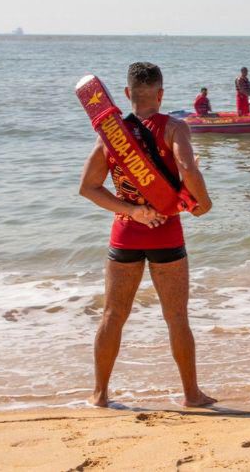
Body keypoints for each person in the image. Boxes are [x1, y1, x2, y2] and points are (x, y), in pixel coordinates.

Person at [79, 62, 215, 408]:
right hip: (167, 236)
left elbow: (89, 188)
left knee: (113, 315)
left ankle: (100, 394)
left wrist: (132, 211)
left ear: (127, 94)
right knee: (177, 317)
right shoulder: (174, 127)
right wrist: (204, 203)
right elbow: (187, 168)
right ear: (161, 93)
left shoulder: (111, 135)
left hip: (125, 236)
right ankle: (191, 395)